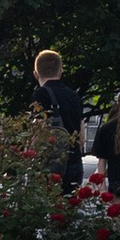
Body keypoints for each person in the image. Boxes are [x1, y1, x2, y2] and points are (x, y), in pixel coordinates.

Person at [26, 49, 87, 189]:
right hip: (74, 163)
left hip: (50, 166)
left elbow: (37, 133)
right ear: (60, 71)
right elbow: (82, 138)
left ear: (36, 74)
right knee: (68, 208)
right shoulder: (74, 96)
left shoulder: (40, 95)